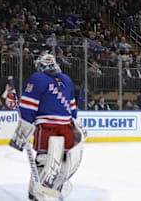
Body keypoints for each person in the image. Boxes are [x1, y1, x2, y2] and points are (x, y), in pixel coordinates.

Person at [9, 54, 85, 200]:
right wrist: (76, 123)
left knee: (46, 160)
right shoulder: (67, 79)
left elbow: (28, 107)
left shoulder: (37, 78)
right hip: (65, 127)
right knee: (58, 160)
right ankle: (42, 189)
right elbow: (72, 109)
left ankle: (37, 191)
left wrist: (23, 131)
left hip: (47, 127)